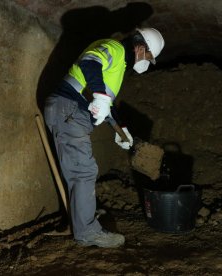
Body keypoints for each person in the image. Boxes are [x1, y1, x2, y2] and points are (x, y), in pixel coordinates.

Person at [44, 28, 165, 248]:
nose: (147, 61)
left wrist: (122, 130)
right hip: (68, 108)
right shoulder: (116, 49)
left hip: (70, 110)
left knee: (81, 170)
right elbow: (89, 63)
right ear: (140, 47)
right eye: (148, 56)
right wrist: (100, 97)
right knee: (83, 171)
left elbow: (104, 103)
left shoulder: (117, 66)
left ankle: (83, 217)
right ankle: (87, 231)